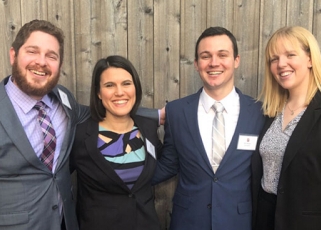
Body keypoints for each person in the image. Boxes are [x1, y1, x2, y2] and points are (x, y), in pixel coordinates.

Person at [0, 20, 160, 230]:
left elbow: (110, 107)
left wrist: (159, 114)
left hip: (66, 222)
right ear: (13, 54)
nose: (41, 61)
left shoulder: (64, 100)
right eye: (32, 51)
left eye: (51, 56)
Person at [152, 27, 265, 230]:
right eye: (206, 56)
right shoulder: (177, 112)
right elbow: (169, 164)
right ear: (196, 64)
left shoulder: (259, 112)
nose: (214, 62)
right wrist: (123, 179)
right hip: (188, 222)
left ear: (236, 60)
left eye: (222, 55)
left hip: (239, 222)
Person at [70, 55, 163, 230]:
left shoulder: (148, 129)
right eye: (109, 85)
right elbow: (58, 180)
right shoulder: (81, 135)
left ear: (135, 87)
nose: (119, 92)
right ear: (98, 92)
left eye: (126, 83)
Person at [251, 26, 321, 230]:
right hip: (265, 217)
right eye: (274, 59)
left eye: (290, 55)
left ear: (310, 59)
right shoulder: (269, 112)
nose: (281, 64)